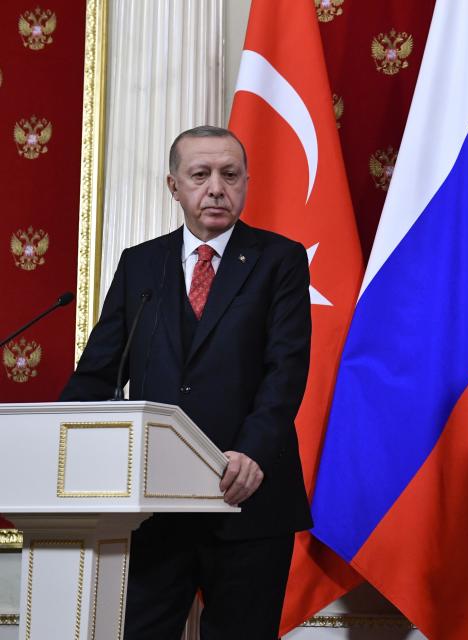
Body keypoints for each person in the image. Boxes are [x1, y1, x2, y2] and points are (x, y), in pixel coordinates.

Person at [61, 126, 313, 639]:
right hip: (153, 503)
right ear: (174, 186)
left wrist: (253, 453)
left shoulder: (279, 260)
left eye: (230, 175)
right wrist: (59, 443)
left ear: (246, 183)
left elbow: (285, 371)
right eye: (200, 175)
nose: (216, 188)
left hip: (247, 494)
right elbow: (99, 373)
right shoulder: (140, 264)